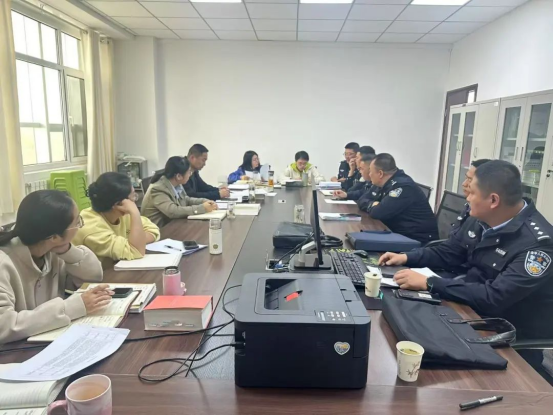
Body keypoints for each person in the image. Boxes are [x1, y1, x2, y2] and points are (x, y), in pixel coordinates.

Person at [379, 160, 553, 342]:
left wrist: (430, 283)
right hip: (467, 307)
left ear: (493, 200)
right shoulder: (482, 218)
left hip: (503, 331)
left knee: (408, 336)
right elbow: (450, 252)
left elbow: (495, 297)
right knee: (396, 310)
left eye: (472, 193)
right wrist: (406, 257)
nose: (467, 198)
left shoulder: (538, 245)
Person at [0, 190, 107, 344]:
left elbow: (94, 276)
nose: (79, 226)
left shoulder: (52, 250)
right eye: (77, 222)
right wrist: (71, 308)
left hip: (47, 341)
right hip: (13, 353)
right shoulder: (4, 263)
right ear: (54, 237)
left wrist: (67, 250)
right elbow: (4, 326)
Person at [73, 172, 160, 268]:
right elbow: (136, 251)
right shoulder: (92, 227)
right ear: (119, 204)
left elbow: (153, 230)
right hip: (95, 275)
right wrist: (135, 212)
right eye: (133, 196)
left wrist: (136, 241)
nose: (135, 199)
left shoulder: (121, 214)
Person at [358, 153, 438, 244]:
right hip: (398, 234)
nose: (369, 174)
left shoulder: (403, 186)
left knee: (363, 244)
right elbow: (362, 200)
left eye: (371, 171)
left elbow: (378, 213)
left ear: (380, 173)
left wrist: (374, 206)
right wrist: (373, 204)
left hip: (416, 240)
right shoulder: (382, 182)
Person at [141, 156, 218, 227]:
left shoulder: (176, 183)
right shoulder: (157, 189)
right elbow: (173, 211)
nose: (190, 174)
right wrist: (202, 208)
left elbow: (186, 199)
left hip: (173, 224)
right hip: (160, 231)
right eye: (189, 172)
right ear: (178, 176)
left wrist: (203, 201)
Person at [453, 159, 490, 233]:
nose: (464, 184)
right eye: (466, 178)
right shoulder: (468, 206)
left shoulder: (482, 213)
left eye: (470, 180)